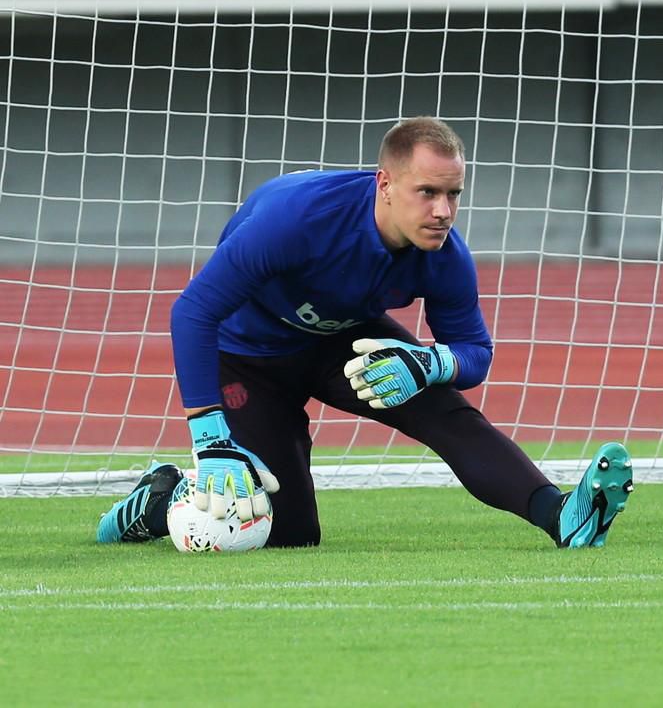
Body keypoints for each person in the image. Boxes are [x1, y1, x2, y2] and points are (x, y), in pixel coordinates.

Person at [96, 116, 632, 549]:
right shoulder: (296, 217)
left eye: (453, 194)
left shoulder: (446, 256)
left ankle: (561, 516)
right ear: (385, 184)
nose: (443, 211)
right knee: (289, 535)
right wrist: (209, 438)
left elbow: (475, 354)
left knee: (445, 410)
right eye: (427, 192)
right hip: (246, 357)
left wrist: (427, 363)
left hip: (342, 343)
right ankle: (162, 496)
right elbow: (192, 313)